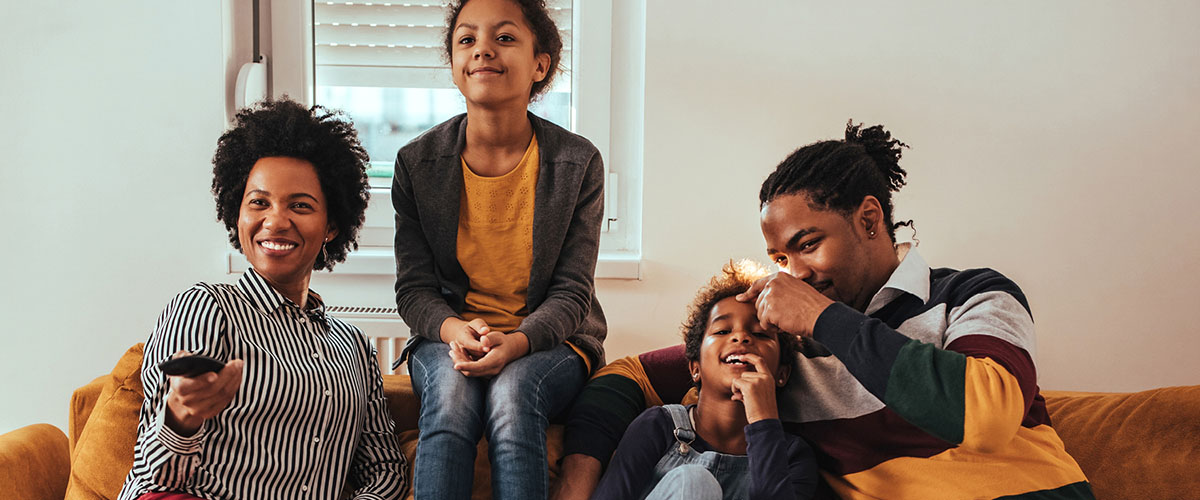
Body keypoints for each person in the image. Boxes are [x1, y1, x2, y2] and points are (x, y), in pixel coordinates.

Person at [557, 121, 1095, 500]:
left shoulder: (973, 295)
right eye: (779, 259)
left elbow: (984, 414)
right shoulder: (782, 349)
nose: (795, 274)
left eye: (808, 244)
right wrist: (580, 476)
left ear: (868, 218)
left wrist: (820, 318)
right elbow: (627, 378)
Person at [118, 99, 408, 500]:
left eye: (300, 206)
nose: (275, 220)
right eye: (259, 202)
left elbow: (384, 469)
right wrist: (180, 422)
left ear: (331, 226)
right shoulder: (204, 307)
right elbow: (155, 477)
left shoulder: (353, 347)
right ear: (236, 214)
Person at [390, 0, 606, 498]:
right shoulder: (417, 163)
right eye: (466, 39)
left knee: (513, 395)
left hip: (549, 343)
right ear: (454, 64)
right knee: (449, 399)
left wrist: (516, 343)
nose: (483, 49)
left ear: (539, 64)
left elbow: (573, 293)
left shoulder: (577, 162)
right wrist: (454, 329)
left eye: (505, 37)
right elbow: (415, 290)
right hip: (450, 336)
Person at [591, 261, 818, 500]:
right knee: (696, 481)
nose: (741, 337)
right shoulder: (658, 427)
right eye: (722, 331)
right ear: (695, 368)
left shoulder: (793, 455)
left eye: (760, 333)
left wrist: (764, 421)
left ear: (782, 374)